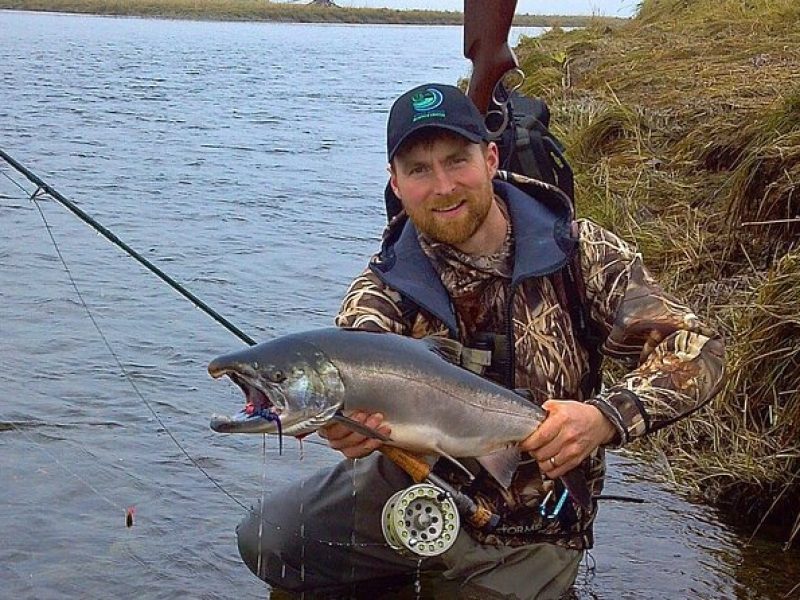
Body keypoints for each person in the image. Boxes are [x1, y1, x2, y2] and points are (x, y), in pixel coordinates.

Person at [236, 83, 726, 599]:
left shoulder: (581, 253)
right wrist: (349, 429)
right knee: (272, 540)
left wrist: (603, 418)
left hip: (537, 518)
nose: (443, 186)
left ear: (491, 158)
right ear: (396, 184)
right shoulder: (383, 286)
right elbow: (353, 360)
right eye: (419, 170)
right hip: (412, 488)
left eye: (456, 161)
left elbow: (699, 350)